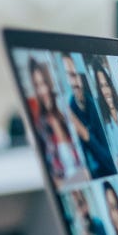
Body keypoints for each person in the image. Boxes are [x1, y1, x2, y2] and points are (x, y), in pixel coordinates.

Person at [27, 57, 87, 187]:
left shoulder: (65, 111)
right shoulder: (41, 127)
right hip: (72, 189)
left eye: (43, 83)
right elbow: (55, 181)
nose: (42, 91)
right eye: (37, 86)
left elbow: (87, 138)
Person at [64, 54, 117, 178]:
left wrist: (85, 134)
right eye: (69, 76)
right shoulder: (71, 107)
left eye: (75, 75)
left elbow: (110, 162)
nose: (74, 82)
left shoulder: (93, 105)